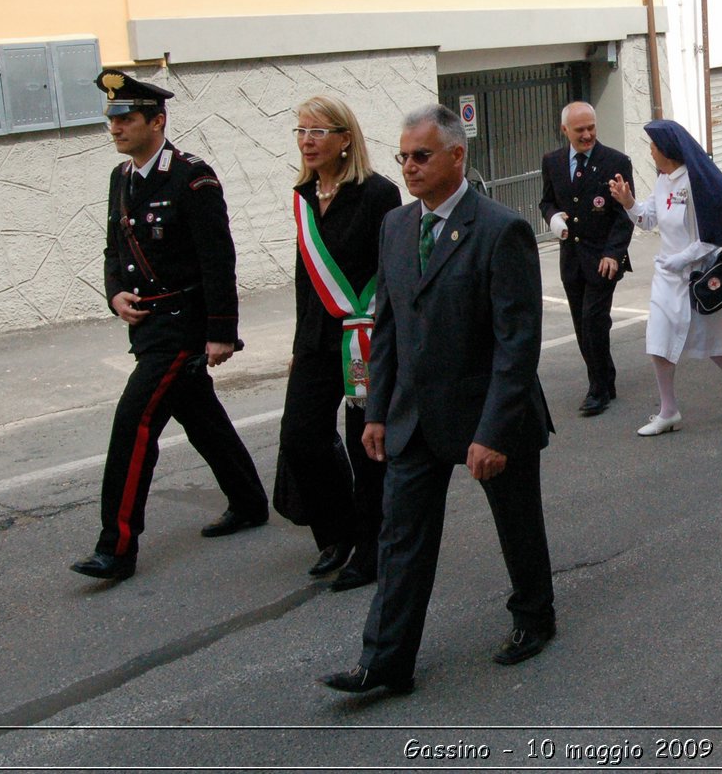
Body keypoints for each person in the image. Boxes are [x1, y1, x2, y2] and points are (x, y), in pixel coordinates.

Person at [322, 104, 556, 697]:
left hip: (489, 413)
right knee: (401, 537)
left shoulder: (502, 230)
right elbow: (390, 325)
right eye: (402, 157)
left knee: (517, 524)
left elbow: (517, 344)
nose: (409, 168)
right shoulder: (397, 227)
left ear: (457, 155)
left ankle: (535, 618)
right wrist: (375, 412)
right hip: (414, 417)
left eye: (421, 156)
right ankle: (386, 662)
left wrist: (495, 432)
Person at [70, 69, 267, 584]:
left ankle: (116, 546)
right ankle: (248, 501)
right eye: (111, 120)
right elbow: (115, 249)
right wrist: (115, 294)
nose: (115, 129)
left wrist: (222, 331)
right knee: (199, 414)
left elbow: (217, 259)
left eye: (126, 119)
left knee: (133, 423)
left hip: (181, 327)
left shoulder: (191, 178)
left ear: (157, 121)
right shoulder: (122, 179)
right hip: (148, 327)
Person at [278, 95, 400, 593]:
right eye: (301, 131)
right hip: (315, 339)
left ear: (345, 140)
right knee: (301, 437)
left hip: (364, 340)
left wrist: (391, 338)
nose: (307, 140)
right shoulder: (305, 197)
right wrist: (298, 340)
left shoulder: (378, 195)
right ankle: (336, 532)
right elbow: (306, 278)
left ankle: (370, 551)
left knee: (365, 444)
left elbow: (392, 272)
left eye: (319, 131)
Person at [609, 120, 722, 436]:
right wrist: (628, 203)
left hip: (698, 277)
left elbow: (713, 234)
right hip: (667, 278)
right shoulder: (664, 181)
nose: (649, 150)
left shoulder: (695, 183)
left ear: (666, 149)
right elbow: (648, 219)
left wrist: (681, 259)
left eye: (652, 145)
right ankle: (668, 411)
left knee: (713, 344)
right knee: (658, 341)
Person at [539, 102, 635, 416]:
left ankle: (597, 389)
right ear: (564, 130)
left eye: (591, 127)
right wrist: (553, 218)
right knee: (583, 325)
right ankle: (605, 377)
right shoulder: (552, 161)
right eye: (580, 130)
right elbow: (547, 201)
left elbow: (624, 215)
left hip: (603, 258)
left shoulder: (615, 161)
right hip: (572, 259)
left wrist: (614, 253)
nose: (588, 135)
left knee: (594, 321)